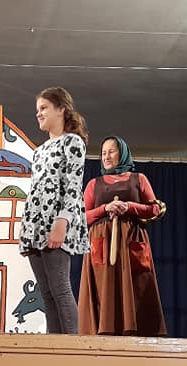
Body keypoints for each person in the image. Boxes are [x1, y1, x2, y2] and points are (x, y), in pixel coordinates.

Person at [78, 136, 167, 336]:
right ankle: (103, 331)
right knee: (104, 286)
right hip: (102, 244)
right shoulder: (94, 184)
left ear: (122, 153)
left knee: (136, 285)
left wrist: (129, 207)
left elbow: (155, 209)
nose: (106, 157)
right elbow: (80, 217)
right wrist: (104, 209)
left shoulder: (139, 179)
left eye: (111, 151)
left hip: (131, 241)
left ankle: (137, 334)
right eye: (103, 153)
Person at [19, 86, 88, 334]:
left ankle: (71, 347)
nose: (38, 113)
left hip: (57, 222)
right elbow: (36, 190)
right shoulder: (39, 151)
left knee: (60, 288)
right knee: (46, 293)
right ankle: (53, 345)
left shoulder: (73, 142)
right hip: (36, 226)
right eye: (37, 109)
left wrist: (62, 222)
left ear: (61, 109)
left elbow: (73, 184)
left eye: (44, 108)